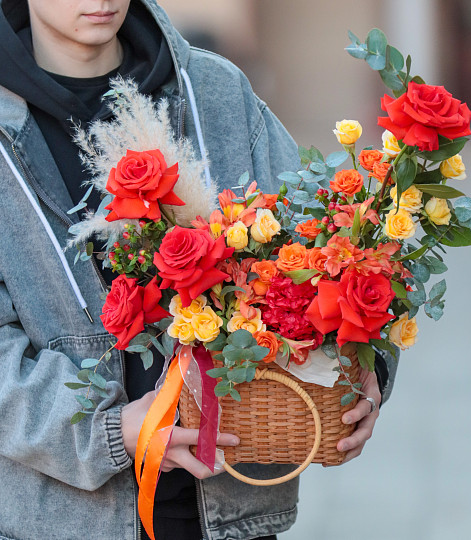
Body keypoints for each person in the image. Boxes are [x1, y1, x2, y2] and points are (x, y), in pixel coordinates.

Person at [0, 0, 397, 538]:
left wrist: (370, 367)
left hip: (232, 512)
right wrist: (110, 430)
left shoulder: (214, 91)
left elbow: (333, 249)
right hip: (63, 521)